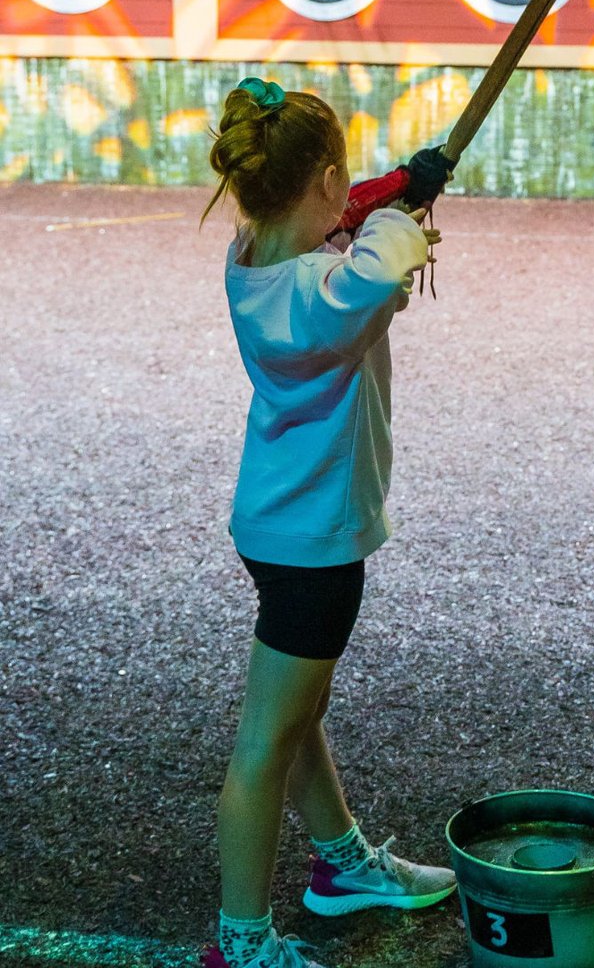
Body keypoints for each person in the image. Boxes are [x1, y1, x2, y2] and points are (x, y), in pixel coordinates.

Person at [196, 77, 457, 968]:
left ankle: (342, 864)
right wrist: (403, 206)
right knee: (266, 741)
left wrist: (396, 183)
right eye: (342, 192)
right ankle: (241, 942)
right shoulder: (329, 293)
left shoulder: (252, 256)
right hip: (313, 546)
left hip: (272, 526)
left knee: (298, 711)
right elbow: (382, 257)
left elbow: (349, 232)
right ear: (324, 183)